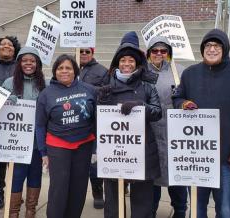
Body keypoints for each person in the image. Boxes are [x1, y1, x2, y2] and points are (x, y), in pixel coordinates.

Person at [98, 31, 162, 218]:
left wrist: (140, 106)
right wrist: (101, 101)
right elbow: (99, 118)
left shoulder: (147, 86)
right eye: (123, 60)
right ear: (117, 63)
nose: (127, 64)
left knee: (142, 202)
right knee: (113, 201)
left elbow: (157, 112)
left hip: (142, 151)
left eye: (131, 61)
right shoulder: (107, 84)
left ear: (137, 63)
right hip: (114, 151)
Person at [172, 28, 230, 218]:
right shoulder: (190, 74)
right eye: (208, 45)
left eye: (216, 45)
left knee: (225, 210)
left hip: (226, 158)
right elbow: (177, 97)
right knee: (198, 209)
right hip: (197, 158)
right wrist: (183, 103)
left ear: (224, 49)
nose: (212, 49)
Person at [36, 54, 97, 218]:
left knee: (79, 188)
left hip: (84, 146)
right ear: (55, 71)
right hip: (58, 147)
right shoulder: (46, 94)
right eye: (60, 68)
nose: (64, 71)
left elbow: (97, 120)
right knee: (59, 189)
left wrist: (95, 148)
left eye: (68, 68)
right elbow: (40, 125)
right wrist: (43, 153)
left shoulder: (89, 90)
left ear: (75, 71)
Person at [1, 46, 45, 218]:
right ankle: (13, 213)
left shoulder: (45, 84)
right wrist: (6, 100)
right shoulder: (8, 83)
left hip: (36, 142)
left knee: (35, 176)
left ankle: (30, 211)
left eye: (32, 61)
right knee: (16, 177)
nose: (29, 64)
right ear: (19, 63)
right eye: (25, 60)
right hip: (15, 143)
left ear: (38, 64)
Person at [146, 36, 188, 218]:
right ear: (149, 53)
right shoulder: (141, 72)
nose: (159, 54)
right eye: (155, 50)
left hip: (174, 136)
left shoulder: (180, 71)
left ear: (169, 53)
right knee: (152, 180)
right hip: (152, 135)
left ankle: (179, 211)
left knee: (177, 178)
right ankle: (151, 212)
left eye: (164, 51)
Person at [0, 36, 21, 209]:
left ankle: (15, 192)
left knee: (16, 158)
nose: (6, 46)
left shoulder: (21, 66)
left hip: (19, 121)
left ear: (15, 49)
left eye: (10, 44)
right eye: (2, 44)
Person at [79, 47, 109, 209]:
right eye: (81, 51)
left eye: (87, 51)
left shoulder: (102, 71)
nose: (83, 53)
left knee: (94, 160)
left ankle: (97, 191)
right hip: (73, 123)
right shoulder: (67, 66)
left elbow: (107, 94)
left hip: (94, 122)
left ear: (92, 53)